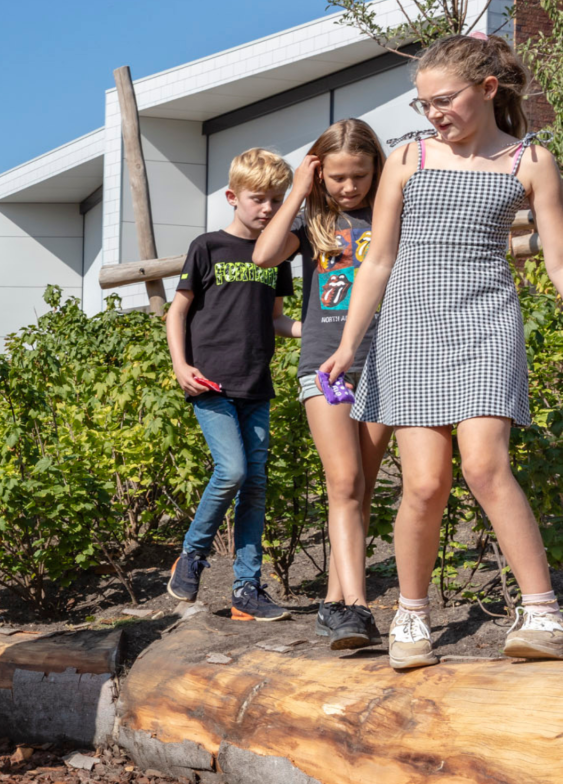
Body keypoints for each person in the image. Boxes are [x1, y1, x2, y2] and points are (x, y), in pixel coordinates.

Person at [322, 36, 563, 669]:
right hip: (407, 330)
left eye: (445, 99)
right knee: (425, 484)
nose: (434, 113)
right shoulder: (407, 158)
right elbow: (378, 259)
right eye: (424, 103)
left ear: (487, 89)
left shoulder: (530, 161)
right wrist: (350, 343)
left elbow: (558, 257)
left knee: (485, 467)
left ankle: (541, 612)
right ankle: (411, 616)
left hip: (486, 323)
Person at [251, 119, 393, 651]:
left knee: (361, 489)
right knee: (343, 481)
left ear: (377, 169)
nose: (349, 187)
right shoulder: (313, 219)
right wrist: (299, 192)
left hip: (387, 358)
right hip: (325, 365)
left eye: (359, 175)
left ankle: (337, 603)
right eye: (337, 177)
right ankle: (355, 607)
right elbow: (264, 255)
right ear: (320, 174)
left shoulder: (389, 212)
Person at [165, 147, 302, 623]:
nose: (267, 209)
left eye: (277, 200)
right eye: (258, 199)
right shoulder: (208, 247)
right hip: (210, 383)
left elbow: (278, 321)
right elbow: (177, 310)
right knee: (232, 471)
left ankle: (247, 588)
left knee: (257, 485)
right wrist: (181, 366)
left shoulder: (278, 252)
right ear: (232, 197)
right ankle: (193, 555)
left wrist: (317, 329)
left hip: (255, 383)